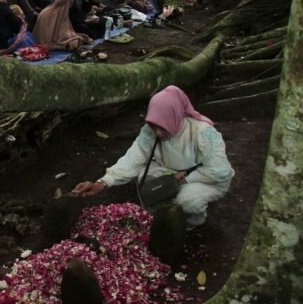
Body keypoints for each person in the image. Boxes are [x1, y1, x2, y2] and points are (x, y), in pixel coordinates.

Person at [73, 86, 234, 229]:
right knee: (144, 175)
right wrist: (102, 183)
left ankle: (193, 222)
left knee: (187, 202)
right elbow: (135, 156)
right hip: (171, 172)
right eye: (153, 125)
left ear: (175, 116)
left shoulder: (202, 132)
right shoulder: (150, 130)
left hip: (206, 179)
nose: (157, 132)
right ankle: (165, 210)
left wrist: (185, 178)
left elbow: (220, 170)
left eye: (162, 126)